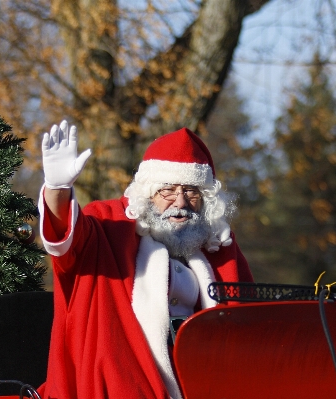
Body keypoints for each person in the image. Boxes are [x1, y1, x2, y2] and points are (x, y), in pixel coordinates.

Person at [37, 120, 253, 399]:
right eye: (168, 190)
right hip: (125, 386)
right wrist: (57, 189)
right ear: (148, 194)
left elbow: (251, 323)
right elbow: (65, 241)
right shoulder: (109, 226)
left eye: (191, 191)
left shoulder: (218, 247)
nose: (180, 202)